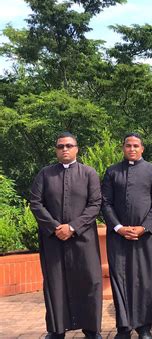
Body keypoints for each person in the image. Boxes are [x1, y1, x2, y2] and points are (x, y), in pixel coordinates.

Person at [101, 133, 152, 339]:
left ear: (142, 149)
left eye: (136, 146)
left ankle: (143, 327)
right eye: (128, 145)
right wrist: (118, 227)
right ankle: (123, 328)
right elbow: (105, 203)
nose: (132, 149)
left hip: (146, 237)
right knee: (120, 280)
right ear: (123, 148)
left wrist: (144, 228)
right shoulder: (112, 172)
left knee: (144, 280)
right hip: (118, 237)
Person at [30, 132, 103, 339]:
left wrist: (72, 227)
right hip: (53, 240)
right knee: (55, 283)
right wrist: (55, 227)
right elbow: (36, 203)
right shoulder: (45, 174)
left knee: (90, 282)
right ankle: (57, 329)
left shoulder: (89, 173)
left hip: (83, 239)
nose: (65, 149)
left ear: (76, 149)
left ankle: (91, 329)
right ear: (56, 150)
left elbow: (95, 204)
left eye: (69, 146)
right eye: (60, 146)